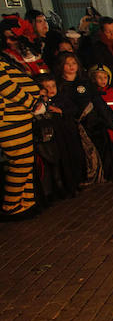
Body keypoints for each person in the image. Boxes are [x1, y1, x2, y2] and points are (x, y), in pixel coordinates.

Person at [56, 52, 113, 183]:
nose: (71, 67)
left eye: (73, 63)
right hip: (74, 125)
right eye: (67, 64)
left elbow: (97, 101)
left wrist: (108, 119)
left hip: (93, 122)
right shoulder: (59, 85)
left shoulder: (84, 82)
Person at [0, 57, 44, 219]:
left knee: (25, 160)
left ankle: (26, 202)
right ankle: (11, 204)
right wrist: (32, 103)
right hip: (9, 118)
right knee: (20, 160)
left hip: (19, 117)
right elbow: (6, 87)